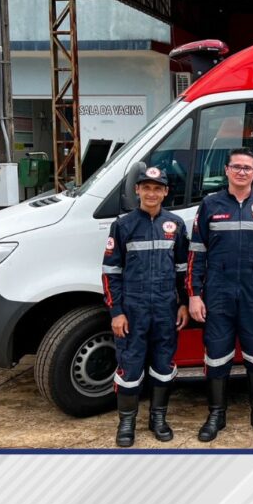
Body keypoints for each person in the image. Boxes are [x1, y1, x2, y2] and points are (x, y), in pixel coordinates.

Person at [187, 148, 253, 441]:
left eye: (248, 168)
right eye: (236, 167)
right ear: (227, 170)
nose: (242, 172)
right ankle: (216, 414)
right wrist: (194, 295)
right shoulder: (209, 204)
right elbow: (196, 254)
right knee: (217, 356)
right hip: (217, 293)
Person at [102, 166, 190, 447]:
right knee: (129, 368)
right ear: (137, 190)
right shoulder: (123, 225)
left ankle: (158, 418)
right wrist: (117, 312)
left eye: (157, 188)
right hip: (133, 311)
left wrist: (184, 304)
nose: (151, 193)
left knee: (163, 365)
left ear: (165, 192)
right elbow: (110, 272)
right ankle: (126, 423)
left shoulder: (175, 225)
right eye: (146, 187)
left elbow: (182, 269)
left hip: (166, 309)